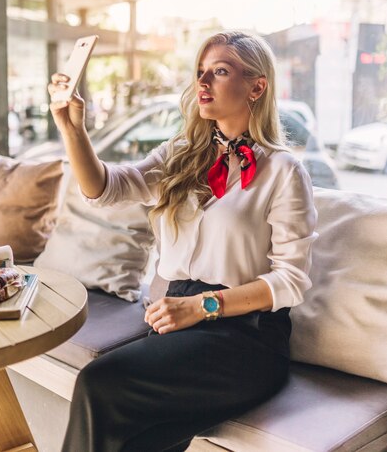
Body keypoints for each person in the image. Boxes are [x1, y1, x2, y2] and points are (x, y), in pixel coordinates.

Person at [48, 30, 318, 452]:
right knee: (136, 439)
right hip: (173, 325)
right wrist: (72, 129)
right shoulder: (179, 153)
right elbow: (106, 188)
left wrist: (200, 306)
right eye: (200, 72)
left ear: (257, 86)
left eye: (220, 71)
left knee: (99, 381)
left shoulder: (283, 171)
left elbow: (291, 281)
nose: (203, 83)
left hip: (246, 337)